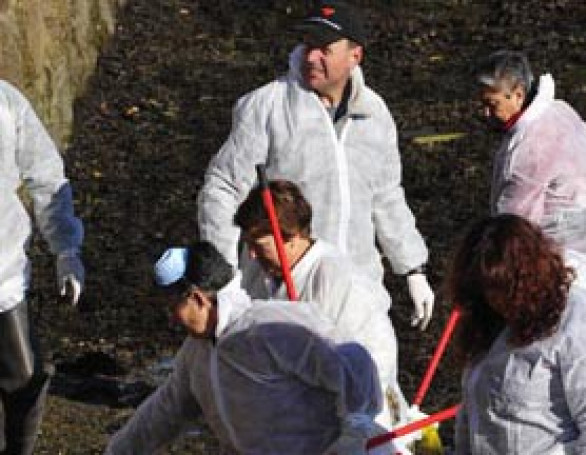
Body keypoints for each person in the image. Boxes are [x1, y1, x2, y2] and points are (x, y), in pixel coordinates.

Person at [197, 0, 435, 330]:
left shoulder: (375, 115)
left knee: (367, 375)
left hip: (357, 293)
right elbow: (223, 188)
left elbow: (386, 196)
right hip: (281, 295)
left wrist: (412, 269)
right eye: (308, 45)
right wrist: (224, 277)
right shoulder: (267, 106)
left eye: (324, 48)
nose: (311, 57)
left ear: (355, 55)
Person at [106, 241, 394, 454]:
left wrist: (357, 430)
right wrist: (118, 451)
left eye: (174, 306)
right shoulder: (196, 354)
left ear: (198, 298)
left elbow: (350, 359)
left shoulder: (268, 327)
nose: (171, 317)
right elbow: (166, 410)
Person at [447, 214, 586, 454]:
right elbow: (473, 413)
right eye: (486, 290)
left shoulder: (579, 322)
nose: (495, 300)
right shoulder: (487, 324)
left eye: (502, 288)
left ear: (527, 278)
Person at [234, 179, 407, 427]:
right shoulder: (263, 274)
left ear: (291, 237)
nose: (251, 255)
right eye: (248, 245)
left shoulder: (338, 279)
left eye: (258, 245)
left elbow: (377, 357)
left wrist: (354, 426)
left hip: (352, 428)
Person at [475, 50, 586, 301]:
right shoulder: (558, 110)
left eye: (492, 105)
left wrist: (485, 263)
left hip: (577, 242)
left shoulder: (531, 146)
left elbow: (514, 222)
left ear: (518, 95)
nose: (486, 114)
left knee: (560, 316)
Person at [1, 79, 85, 454]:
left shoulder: (6, 103)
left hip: (3, 275)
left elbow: (48, 180)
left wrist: (66, 250)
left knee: (26, 378)